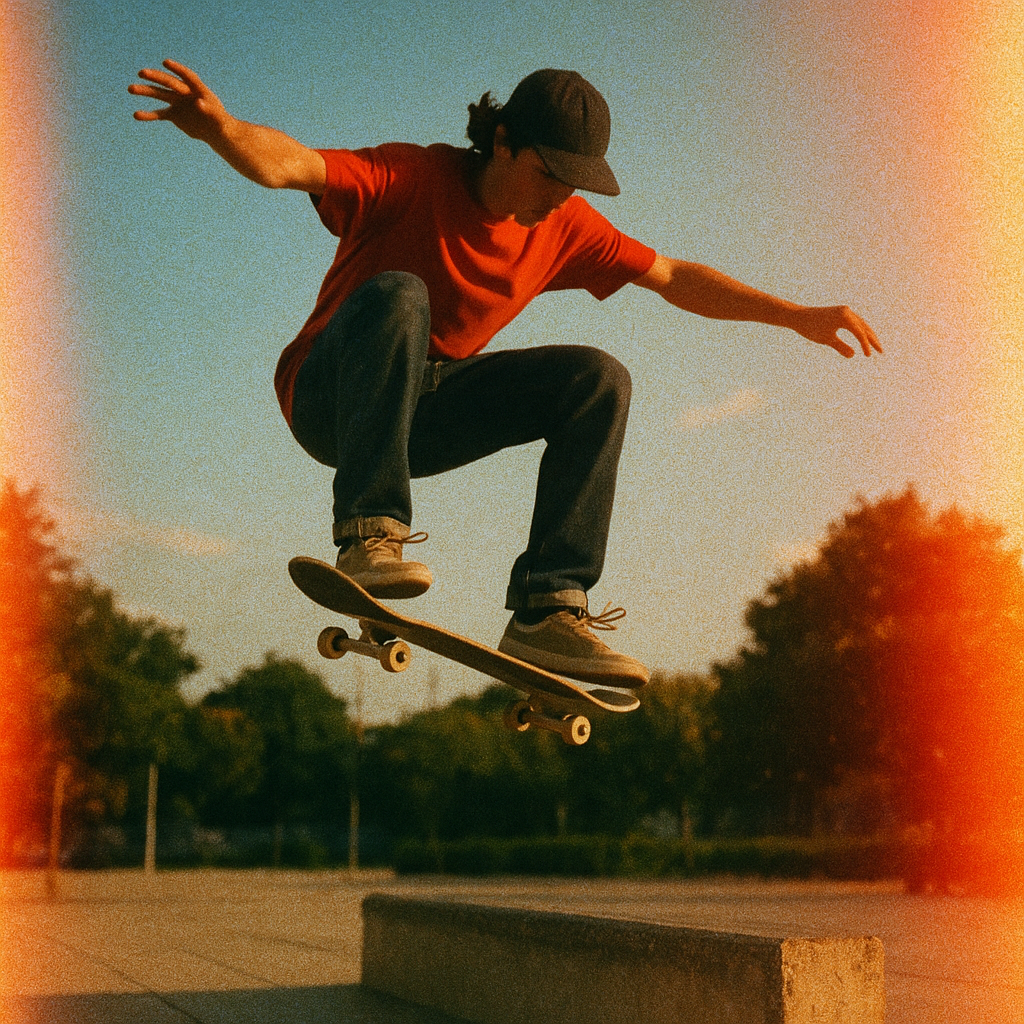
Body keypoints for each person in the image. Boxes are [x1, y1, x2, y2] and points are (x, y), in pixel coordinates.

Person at [129, 59, 881, 688]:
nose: (563, 195)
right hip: (331, 402)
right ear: (502, 143)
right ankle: (369, 532)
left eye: (578, 182)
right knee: (400, 293)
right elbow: (294, 164)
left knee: (598, 378)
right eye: (552, 173)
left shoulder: (566, 229)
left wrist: (796, 316)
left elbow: (676, 275)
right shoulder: (411, 175)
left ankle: (548, 609)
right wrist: (222, 131)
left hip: (423, 416)